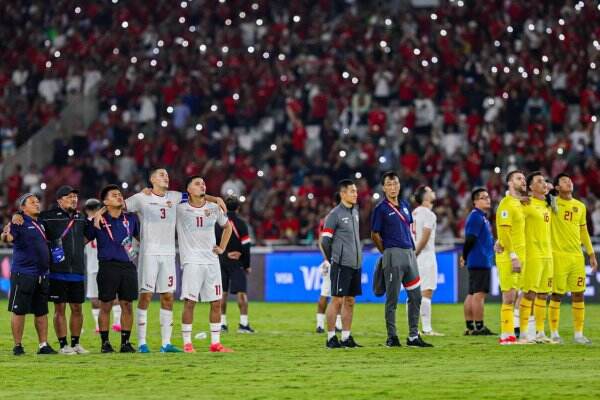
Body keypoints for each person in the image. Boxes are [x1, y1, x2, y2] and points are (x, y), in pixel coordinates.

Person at [122, 168, 224, 353]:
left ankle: (166, 343)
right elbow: (120, 206)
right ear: (152, 179)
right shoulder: (141, 198)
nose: (166, 177)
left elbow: (197, 196)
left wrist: (215, 199)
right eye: (161, 175)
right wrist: (100, 211)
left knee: (168, 297)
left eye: (167, 175)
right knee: (145, 296)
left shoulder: (176, 197)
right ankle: (142, 342)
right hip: (150, 253)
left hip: (169, 254)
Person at [11, 185, 89, 354]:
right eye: (69, 197)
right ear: (59, 200)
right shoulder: (47, 217)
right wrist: (16, 215)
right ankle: (62, 345)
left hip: (76, 270)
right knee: (58, 308)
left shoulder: (81, 218)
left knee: (77, 308)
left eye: (75, 197)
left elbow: (89, 235)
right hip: (55, 271)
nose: (73, 200)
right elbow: (20, 223)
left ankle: (74, 343)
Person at [371, 171, 432, 348]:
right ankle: (392, 337)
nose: (392, 187)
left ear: (399, 185)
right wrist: (387, 252)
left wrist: (411, 250)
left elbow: (408, 229)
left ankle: (413, 336)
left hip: (409, 253)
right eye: (389, 184)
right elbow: (374, 234)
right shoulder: (380, 209)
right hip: (393, 253)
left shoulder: (405, 205)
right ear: (383, 188)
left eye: (395, 184)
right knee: (392, 299)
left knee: (416, 296)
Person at [178, 176, 234, 353]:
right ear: (188, 190)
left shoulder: (214, 208)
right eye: (197, 183)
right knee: (190, 302)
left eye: (203, 183)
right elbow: (162, 198)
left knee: (216, 302)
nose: (202, 185)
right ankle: (187, 344)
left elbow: (228, 227)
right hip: (192, 261)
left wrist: (222, 247)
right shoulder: (180, 209)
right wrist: (215, 197)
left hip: (211, 261)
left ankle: (216, 344)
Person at [84, 184, 140, 353]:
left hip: (128, 265)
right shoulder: (99, 220)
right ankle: (105, 343)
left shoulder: (131, 218)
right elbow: (84, 239)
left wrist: (137, 250)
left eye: (120, 194)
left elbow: (140, 237)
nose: (119, 197)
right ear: (105, 201)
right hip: (108, 266)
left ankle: (125, 343)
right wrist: (96, 216)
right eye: (114, 195)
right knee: (106, 305)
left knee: (127, 305)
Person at [2, 194, 57, 356]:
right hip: (24, 273)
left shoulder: (41, 223)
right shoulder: (18, 222)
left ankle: (43, 345)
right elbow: (8, 237)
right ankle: (18, 345)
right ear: (23, 208)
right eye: (32, 202)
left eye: (38, 202)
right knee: (19, 311)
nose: (37, 204)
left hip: (42, 274)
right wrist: (6, 234)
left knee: (42, 311)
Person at [549, 173, 598, 344]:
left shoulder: (580, 206)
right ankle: (554, 333)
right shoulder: (552, 203)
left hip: (577, 256)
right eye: (563, 181)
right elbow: (539, 194)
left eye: (569, 180)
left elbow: (584, 231)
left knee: (579, 294)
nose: (568, 182)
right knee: (557, 295)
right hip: (558, 256)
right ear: (556, 187)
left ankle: (578, 334)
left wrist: (591, 254)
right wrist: (549, 189)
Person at [320, 179, 363, 348]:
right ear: (343, 194)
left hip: (355, 263)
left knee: (350, 300)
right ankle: (331, 337)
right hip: (341, 264)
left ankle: (346, 337)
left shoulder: (355, 212)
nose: (355, 194)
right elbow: (325, 241)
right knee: (336, 300)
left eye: (356, 191)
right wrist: (334, 258)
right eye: (352, 191)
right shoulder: (334, 214)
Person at [518, 171, 554, 344]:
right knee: (529, 293)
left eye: (545, 181)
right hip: (533, 255)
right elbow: (511, 212)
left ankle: (540, 332)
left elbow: (555, 190)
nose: (544, 184)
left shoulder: (547, 204)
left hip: (548, 255)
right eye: (539, 181)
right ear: (531, 187)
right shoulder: (526, 204)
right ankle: (524, 333)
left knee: (543, 295)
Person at [495, 170, 527, 345]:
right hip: (509, 257)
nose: (523, 181)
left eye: (523, 178)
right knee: (509, 297)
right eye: (518, 178)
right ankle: (506, 335)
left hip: (521, 256)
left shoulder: (519, 204)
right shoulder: (506, 204)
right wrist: (513, 255)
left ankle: (515, 333)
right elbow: (505, 233)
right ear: (509, 183)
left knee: (520, 295)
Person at [216, 196, 254, 333]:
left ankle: (222, 324)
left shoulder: (218, 223)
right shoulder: (242, 224)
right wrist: (246, 264)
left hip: (221, 261)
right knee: (241, 293)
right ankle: (243, 324)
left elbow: (214, 243)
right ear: (238, 208)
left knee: (222, 293)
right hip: (237, 262)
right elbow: (246, 245)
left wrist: (224, 254)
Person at [460, 188, 495, 336]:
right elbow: (470, 238)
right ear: (475, 202)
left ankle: (470, 326)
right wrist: (465, 255)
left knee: (472, 293)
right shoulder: (476, 217)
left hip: (478, 259)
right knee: (479, 295)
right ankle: (479, 327)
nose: (487, 199)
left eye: (488, 197)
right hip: (480, 260)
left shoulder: (480, 217)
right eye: (483, 198)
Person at [84, 198, 121, 334]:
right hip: (94, 266)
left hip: (104, 264)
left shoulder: (105, 221)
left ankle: (116, 323)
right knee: (96, 298)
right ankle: (101, 326)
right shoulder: (85, 224)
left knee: (109, 296)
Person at [412, 185, 443, 336]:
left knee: (414, 292)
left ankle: (414, 328)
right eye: (430, 191)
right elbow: (424, 237)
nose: (433, 192)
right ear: (425, 196)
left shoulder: (414, 213)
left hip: (414, 254)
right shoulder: (429, 214)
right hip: (424, 255)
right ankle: (426, 328)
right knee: (426, 291)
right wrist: (416, 253)